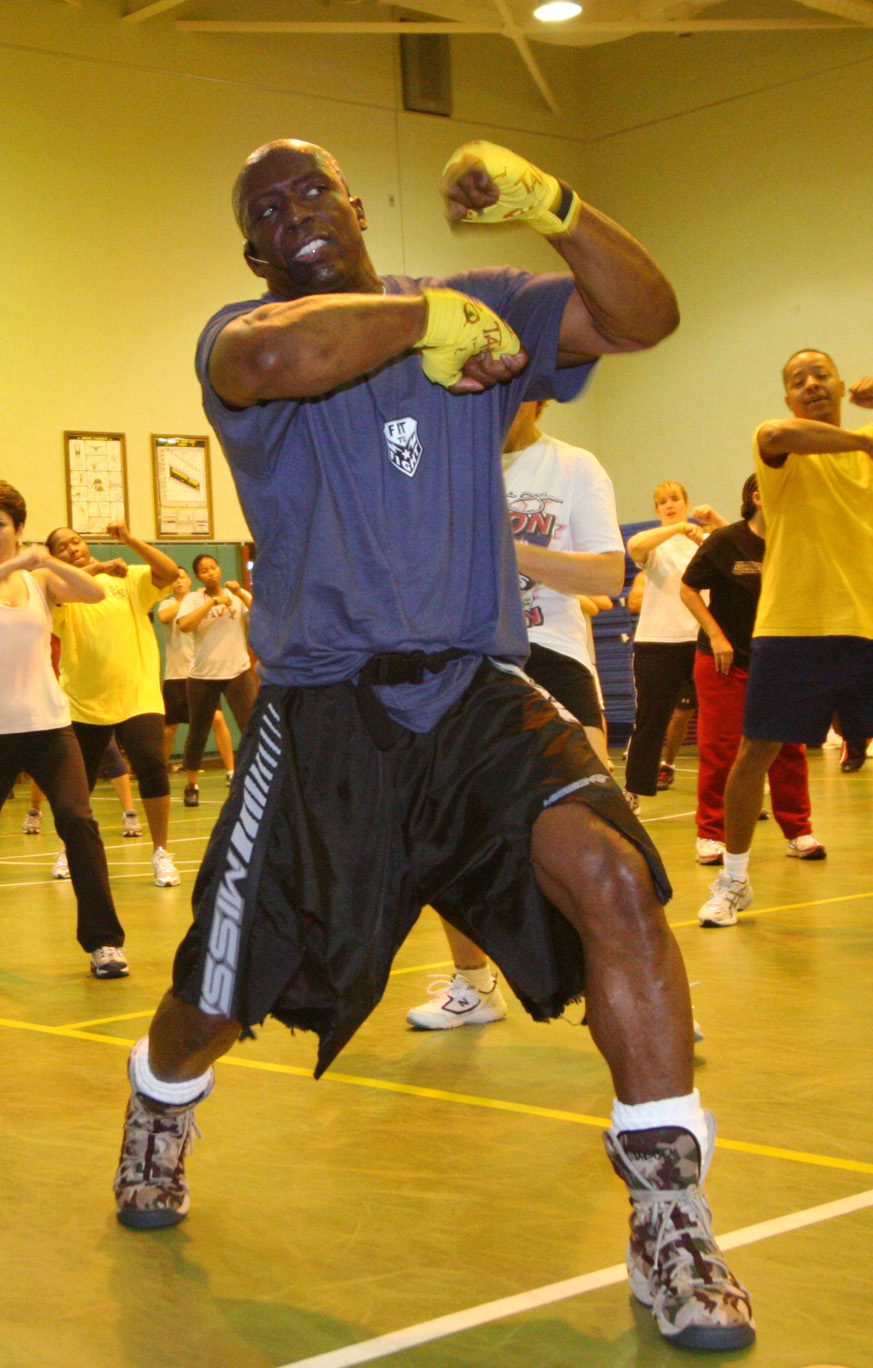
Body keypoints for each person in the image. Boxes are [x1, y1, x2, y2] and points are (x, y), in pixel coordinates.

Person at [111, 137, 753, 1351]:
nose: (294, 213)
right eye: (267, 209)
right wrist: (429, 319)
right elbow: (288, 353)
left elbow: (647, 316)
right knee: (216, 992)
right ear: (254, 252)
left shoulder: (490, 314)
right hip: (322, 716)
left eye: (313, 190)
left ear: (355, 204)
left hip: (473, 691)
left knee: (614, 876)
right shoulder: (241, 339)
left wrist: (556, 212)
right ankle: (159, 1103)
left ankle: (672, 1219)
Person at [407, 397, 624, 1030]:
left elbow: (607, 572)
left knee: (596, 833)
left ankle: (636, 975)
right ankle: (473, 985)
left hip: (549, 653)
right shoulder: (440, 467)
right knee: (445, 833)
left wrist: (504, 548)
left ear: (542, 393)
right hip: (463, 661)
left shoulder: (573, 467)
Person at [698, 351, 873, 927]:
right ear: (789, 397)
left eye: (822, 375)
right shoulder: (782, 451)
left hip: (866, 627)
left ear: (842, 386)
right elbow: (778, 432)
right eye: (799, 381)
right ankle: (734, 879)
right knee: (756, 753)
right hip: (792, 627)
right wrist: (863, 440)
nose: (812, 384)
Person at [0, 481, 128, 977]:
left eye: (1, 526)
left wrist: (48, 562)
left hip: (49, 725)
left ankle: (105, 944)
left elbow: (94, 591)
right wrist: (16, 562)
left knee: (78, 821)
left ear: (19, 529)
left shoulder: (39, 583)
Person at [679, 473, 825, 877]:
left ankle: (798, 832)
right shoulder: (726, 540)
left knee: (788, 750)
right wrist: (716, 635)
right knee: (723, 748)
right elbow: (688, 589)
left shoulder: (794, 542)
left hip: (778, 661)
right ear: (758, 497)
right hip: (724, 660)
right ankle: (711, 833)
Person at [47, 522, 182, 887]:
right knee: (78, 782)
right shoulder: (59, 589)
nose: (72, 548)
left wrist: (129, 540)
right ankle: (70, 849)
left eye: (76, 540)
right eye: (62, 547)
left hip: (137, 694)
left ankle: (161, 853)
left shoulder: (127, 578)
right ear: (54, 557)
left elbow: (169, 572)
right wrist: (100, 567)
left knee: (151, 763)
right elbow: (53, 585)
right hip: (84, 701)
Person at [623, 485, 725, 809]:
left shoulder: (706, 544)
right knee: (651, 721)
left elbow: (741, 544)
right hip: (658, 643)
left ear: (687, 504)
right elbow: (634, 545)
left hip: (703, 642)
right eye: (662, 503)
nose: (669, 505)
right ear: (657, 511)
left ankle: (731, 794)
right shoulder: (656, 545)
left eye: (674, 500)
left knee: (723, 722)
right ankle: (634, 791)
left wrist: (714, 520)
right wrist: (678, 528)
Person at [175, 554, 257, 806]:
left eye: (213, 567)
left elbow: (260, 615)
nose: (211, 573)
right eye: (204, 570)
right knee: (198, 733)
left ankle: (251, 780)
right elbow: (185, 625)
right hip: (203, 675)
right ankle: (191, 784)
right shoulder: (193, 599)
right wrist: (211, 604)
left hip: (238, 672)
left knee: (251, 728)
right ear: (198, 576)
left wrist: (240, 593)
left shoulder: (236, 595)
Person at [156, 566, 236, 786]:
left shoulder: (207, 602)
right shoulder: (168, 604)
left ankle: (231, 771)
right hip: (175, 676)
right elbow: (164, 617)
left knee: (218, 719)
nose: (178, 582)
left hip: (201, 674)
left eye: (182, 577)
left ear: (191, 580)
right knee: (168, 729)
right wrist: (192, 602)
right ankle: (159, 773)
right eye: (174, 579)